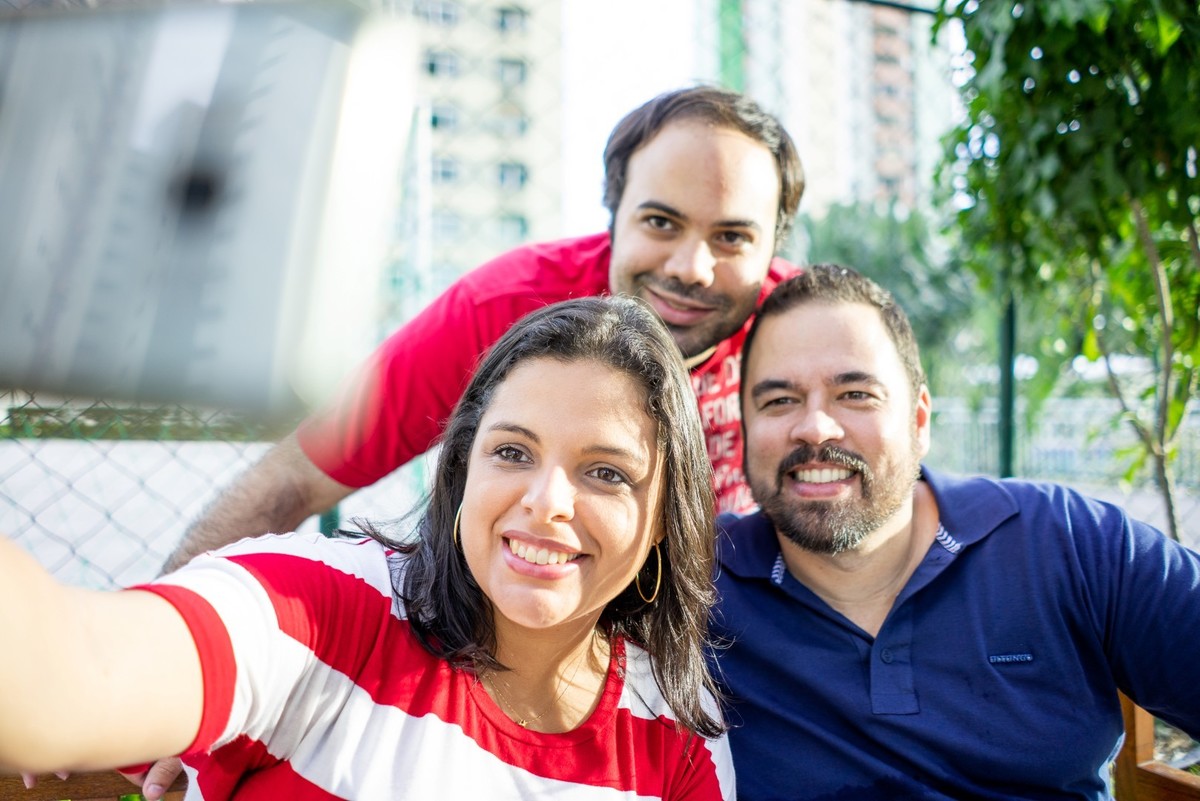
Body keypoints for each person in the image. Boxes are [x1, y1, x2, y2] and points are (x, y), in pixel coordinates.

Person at [3, 297, 734, 800]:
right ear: (462, 469)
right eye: (512, 452)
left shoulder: (674, 726)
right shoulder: (321, 605)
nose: (547, 501)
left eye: (606, 472)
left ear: (662, 517)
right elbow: (72, 669)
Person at [163, 84, 805, 578]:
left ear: (773, 246)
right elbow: (298, 476)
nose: (690, 268)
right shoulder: (506, 308)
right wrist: (149, 644)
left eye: (731, 236)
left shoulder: (804, 330)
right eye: (661, 223)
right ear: (614, 212)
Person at [713, 265, 1200, 800]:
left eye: (854, 393)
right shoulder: (698, 581)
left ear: (919, 421)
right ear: (745, 430)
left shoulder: (1066, 542)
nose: (815, 427)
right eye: (778, 401)